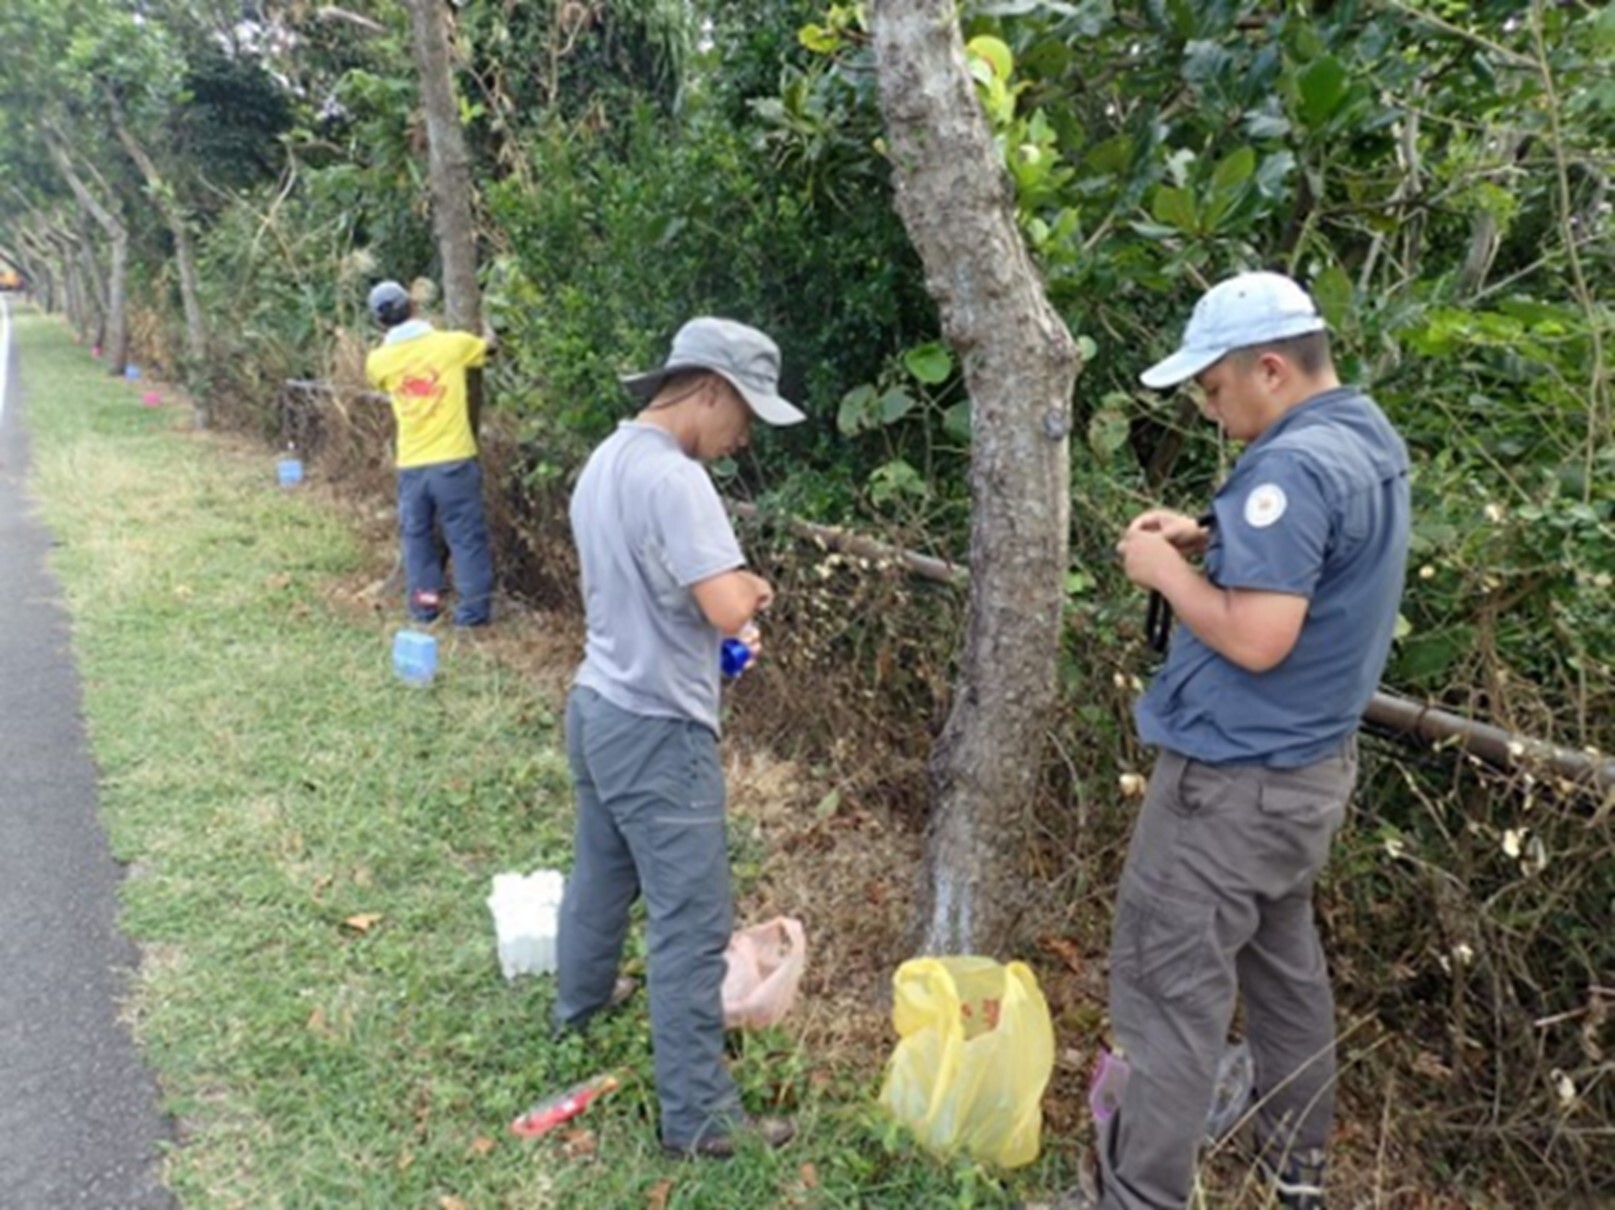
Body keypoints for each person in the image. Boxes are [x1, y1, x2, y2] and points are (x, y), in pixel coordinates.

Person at [1060, 272, 1411, 1210]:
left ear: (1268, 368)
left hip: (1228, 786)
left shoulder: (1288, 467)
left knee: (1168, 997)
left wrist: (1162, 572)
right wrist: (1210, 529)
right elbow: (1316, 553)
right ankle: (1295, 1166)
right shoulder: (1360, 435)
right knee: (1283, 966)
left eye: (1214, 390)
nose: (1212, 412)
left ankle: (1136, 1197)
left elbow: (1260, 636)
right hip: (1304, 778)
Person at [553, 317, 807, 1159]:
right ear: (710, 390)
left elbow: (657, 593)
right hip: (659, 731)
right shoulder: (676, 479)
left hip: (597, 704)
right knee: (691, 924)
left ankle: (580, 1006)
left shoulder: (604, 461)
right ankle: (698, 1119)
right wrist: (754, 587)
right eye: (744, 416)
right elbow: (727, 605)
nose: (740, 440)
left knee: (600, 871)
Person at [363, 279, 495, 627]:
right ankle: (472, 613)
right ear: (414, 306)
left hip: (412, 467)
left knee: (417, 540)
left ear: (380, 322)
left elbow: (381, 376)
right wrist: (489, 327)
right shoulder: (451, 345)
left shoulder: (379, 361)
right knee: (465, 537)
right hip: (454, 461)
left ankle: (425, 607)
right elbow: (489, 349)